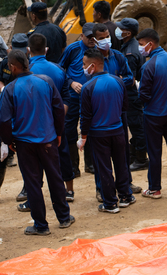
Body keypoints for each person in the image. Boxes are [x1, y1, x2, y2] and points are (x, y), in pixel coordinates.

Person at [0, 50, 74, 235]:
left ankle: (41, 225)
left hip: (24, 143)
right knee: (55, 177)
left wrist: (9, 140)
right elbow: (58, 109)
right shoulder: (46, 81)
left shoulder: (11, 89)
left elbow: (2, 120)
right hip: (48, 140)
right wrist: (58, 133)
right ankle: (64, 218)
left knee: (32, 183)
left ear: (13, 67)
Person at [79, 48, 135, 213]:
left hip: (99, 134)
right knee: (121, 164)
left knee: (104, 168)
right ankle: (126, 196)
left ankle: (110, 203)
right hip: (118, 131)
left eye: (84, 64)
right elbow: (125, 106)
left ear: (93, 66)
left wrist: (83, 137)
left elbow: (85, 116)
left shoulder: (87, 87)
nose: (83, 67)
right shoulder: (118, 81)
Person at [137, 28, 167, 199]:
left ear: (150, 44)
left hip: (153, 115)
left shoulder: (148, 66)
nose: (140, 48)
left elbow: (143, 95)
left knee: (154, 151)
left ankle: (154, 188)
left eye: (141, 45)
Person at [28, 33, 75, 206]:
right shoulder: (58, 69)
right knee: (62, 154)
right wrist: (59, 118)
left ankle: (32, 197)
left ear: (28, 50)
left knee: (34, 161)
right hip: (56, 122)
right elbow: (66, 97)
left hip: (33, 124)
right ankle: (69, 190)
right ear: (46, 49)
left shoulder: (26, 72)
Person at [59, 23, 97, 177]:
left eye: (94, 36)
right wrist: (71, 82)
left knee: (90, 129)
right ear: (82, 36)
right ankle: (73, 167)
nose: (92, 39)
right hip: (73, 99)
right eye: (88, 36)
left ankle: (90, 164)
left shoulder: (98, 49)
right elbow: (61, 70)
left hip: (92, 99)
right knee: (69, 131)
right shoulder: (73, 49)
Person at [0, 34, 30, 202]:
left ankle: (27, 188)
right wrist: (3, 89)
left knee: (27, 155)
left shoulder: (30, 61)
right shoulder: (5, 62)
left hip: (24, 112)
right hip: (8, 105)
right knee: (1, 152)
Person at [116, 18, 148, 172]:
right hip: (132, 93)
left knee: (136, 126)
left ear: (127, 32)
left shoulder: (130, 52)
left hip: (132, 94)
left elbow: (130, 78)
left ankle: (141, 159)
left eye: (120, 28)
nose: (117, 30)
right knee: (135, 125)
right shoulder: (129, 46)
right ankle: (135, 154)